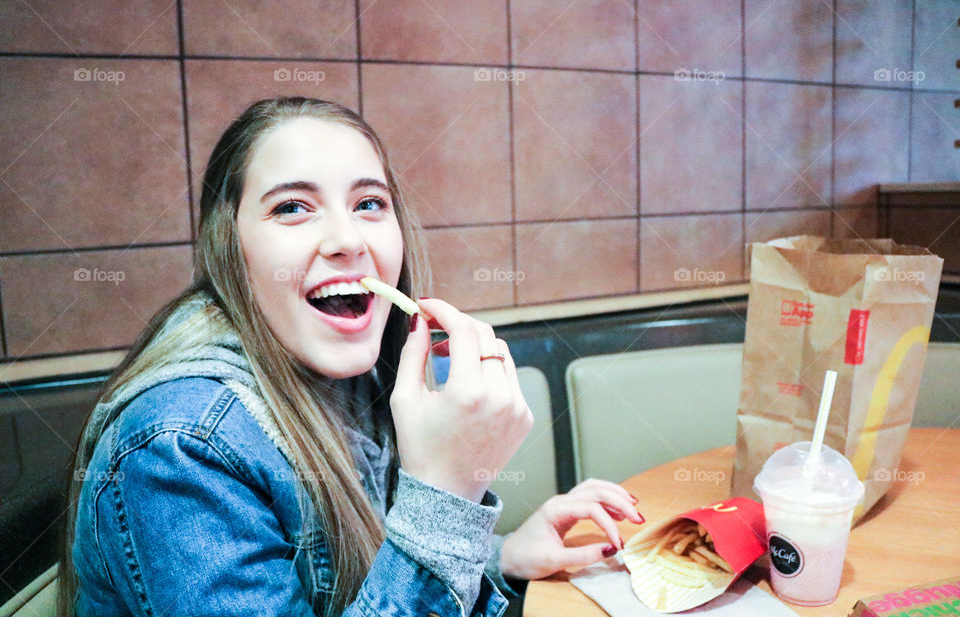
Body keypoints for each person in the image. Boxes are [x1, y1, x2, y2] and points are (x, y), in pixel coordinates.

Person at [56, 97, 644, 617]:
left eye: (369, 203)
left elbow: (371, 572)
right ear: (230, 249)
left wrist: (503, 556)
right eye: (291, 207)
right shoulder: (179, 446)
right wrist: (448, 493)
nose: (348, 239)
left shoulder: (362, 379)